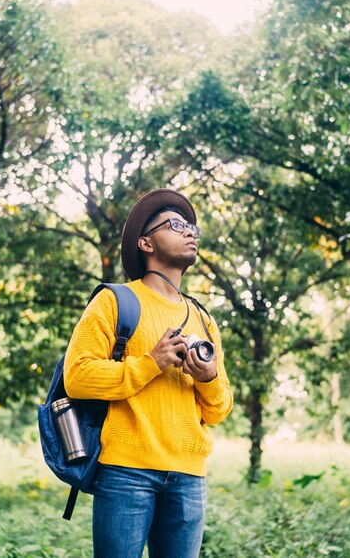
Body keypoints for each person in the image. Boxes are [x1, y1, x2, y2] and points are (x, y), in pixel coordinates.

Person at [64, 188, 233, 558]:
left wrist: (207, 378)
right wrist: (151, 363)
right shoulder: (115, 301)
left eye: (192, 227)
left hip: (189, 476)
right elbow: (77, 377)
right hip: (126, 473)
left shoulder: (204, 319)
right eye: (175, 224)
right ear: (146, 242)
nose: (190, 231)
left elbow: (219, 410)